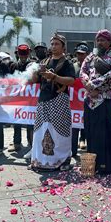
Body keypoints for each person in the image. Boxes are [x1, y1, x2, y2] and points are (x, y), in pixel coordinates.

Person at [80, 29, 111, 175]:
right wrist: (88, 85)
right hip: (91, 101)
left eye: (103, 40)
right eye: (98, 40)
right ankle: (94, 165)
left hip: (107, 100)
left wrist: (94, 84)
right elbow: (82, 72)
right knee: (92, 133)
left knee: (109, 134)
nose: (100, 42)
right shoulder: (90, 57)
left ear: (109, 42)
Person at [30, 34, 75, 171]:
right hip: (43, 100)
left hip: (59, 100)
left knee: (60, 130)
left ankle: (62, 160)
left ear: (63, 47)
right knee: (40, 130)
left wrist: (54, 77)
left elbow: (71, 80)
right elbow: (34, 80)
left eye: (57, 44)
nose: (54, 46)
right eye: (52, 44)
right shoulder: (44, 61)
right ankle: (40, 160)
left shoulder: (67, 63)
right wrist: (35, 70)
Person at [9, 44, 35, 155]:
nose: (23, 56)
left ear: (28, 53)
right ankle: (17, 143)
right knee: (17, 121)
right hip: (18, 98)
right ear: (18, 54)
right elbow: (9, 81)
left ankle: (31, 144)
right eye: (21, 54)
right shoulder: (13, 66)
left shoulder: (33, 65)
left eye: (25, 54)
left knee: (30, 122)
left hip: (30, 99)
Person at [71, 42, 89, 155]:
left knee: (86, 125)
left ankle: (84, 143)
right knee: (74, 126)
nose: (80, 56)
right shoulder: (73, 66)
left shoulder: (91, 66)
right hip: (74, 101)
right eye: (78, 54)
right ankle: (72, 151)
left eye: (82, 54)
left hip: (87, 99)